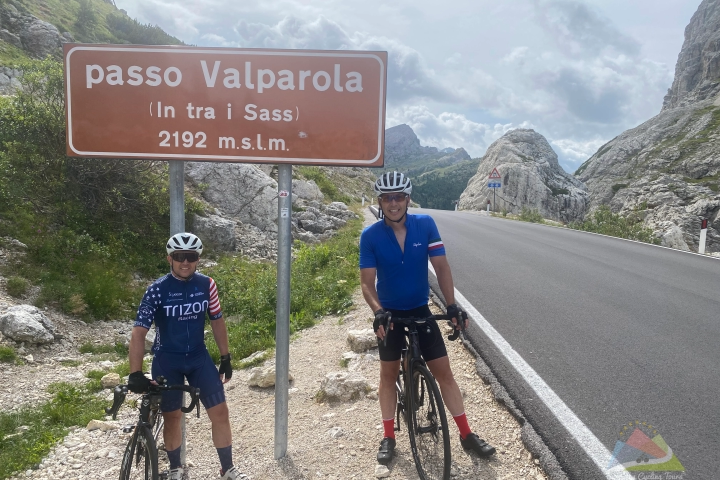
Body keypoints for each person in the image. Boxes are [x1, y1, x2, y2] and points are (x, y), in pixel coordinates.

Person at [359, 172, 496, 465]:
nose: (393, 203)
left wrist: (452, 305)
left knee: (445, 373)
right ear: (380, 201)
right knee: (387, 375)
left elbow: (442, 267)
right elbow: (367, 283)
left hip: (421, 310)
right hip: (390, 314)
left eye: (399, 197)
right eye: (387, 198)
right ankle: (388, 436)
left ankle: (466, 434)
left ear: (408, 199)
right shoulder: (370, 236)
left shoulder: (425, 225)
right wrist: (378, 312)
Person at [127, 233, 246, 480]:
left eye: (190, 257)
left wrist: (225, 357)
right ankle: (175, 470)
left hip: (198, 358)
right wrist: (135, 373)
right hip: (167, 360)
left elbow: (217, 320)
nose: (185, 262)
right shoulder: (156, 290)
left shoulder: (207, 284)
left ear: (197, 259)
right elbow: (139, 333)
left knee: (220, 413)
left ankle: (227, 469)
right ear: (169, 258)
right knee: (172, 417)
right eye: (179, 257)